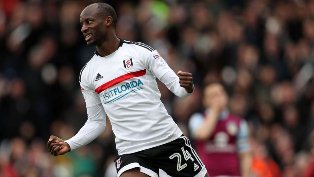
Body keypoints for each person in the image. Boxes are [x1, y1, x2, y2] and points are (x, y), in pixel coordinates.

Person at [47, 3, 209, 177]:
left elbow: (178, 89)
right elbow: (96, 122)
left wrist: (187, 86)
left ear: (107, 21)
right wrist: (70, 144)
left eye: (89, 22)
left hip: (167, 141)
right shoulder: (88, 73)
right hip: (132, 151)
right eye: (82, 24)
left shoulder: (141, 52)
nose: (83, 28)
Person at [189, 83, 251, 177]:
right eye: (213, 96)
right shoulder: (197, 119)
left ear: (226, 97)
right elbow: (203, 134)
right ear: (205, 101)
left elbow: (245, 155)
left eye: (220, 94)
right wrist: (214, 111)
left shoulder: (239, 123)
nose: (218, 98)